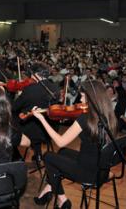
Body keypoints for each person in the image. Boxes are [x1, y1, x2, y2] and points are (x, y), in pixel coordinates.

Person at [32, 80, 118, 209]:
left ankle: (62, 199)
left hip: (87, 172)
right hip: (101, 169)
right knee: (63, 152)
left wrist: (42, 119)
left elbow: (60, 142)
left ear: (91, 98)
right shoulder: (108, 115)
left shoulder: (85, 118)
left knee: (48, 156)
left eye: (83, 96)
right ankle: (49, 188)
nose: (81, 98)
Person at [13, 62, 60, 162]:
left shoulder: (30, 89)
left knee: (11, 124)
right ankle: (38, 154)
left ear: (36, 74)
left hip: (33, 131)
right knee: (33, 119)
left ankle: (16, 157)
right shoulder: (55, 87)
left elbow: (15, 107)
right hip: (51, 128)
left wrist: (20, 95)